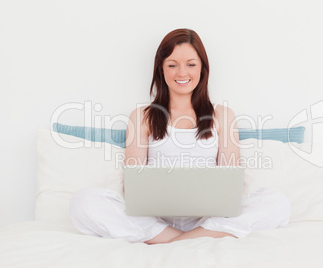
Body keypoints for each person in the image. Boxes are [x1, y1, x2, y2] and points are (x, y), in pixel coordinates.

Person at [69, 28, 291, 244]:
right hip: (155, 219)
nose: (182, 73)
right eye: (172, 65)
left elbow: (230, 184)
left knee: (276, 203)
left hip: (208, 219)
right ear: (161, 70)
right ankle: (192, 240)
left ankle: (175, 240)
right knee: (84, 202)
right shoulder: (142, 116)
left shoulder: (222, 115)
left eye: (191, 65)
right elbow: (133, 186)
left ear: (202, 69)